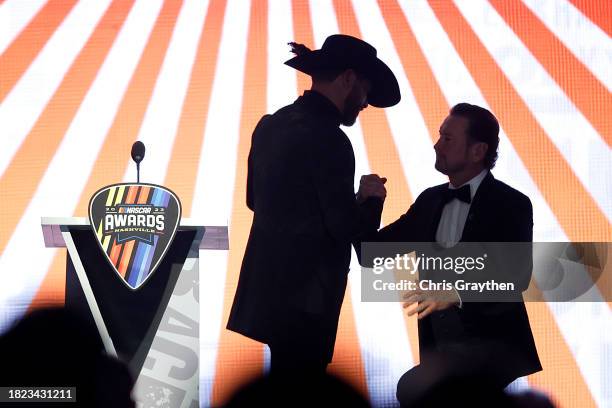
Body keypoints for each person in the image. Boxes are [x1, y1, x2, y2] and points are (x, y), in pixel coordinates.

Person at [226, 34, 400, 373]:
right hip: (309, 301)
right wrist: (371, 200)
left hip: (268, 296)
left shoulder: (270, 125)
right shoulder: (331, 139)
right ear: (348, 78)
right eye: (365, 89)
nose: (365, 102)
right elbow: (347, 231)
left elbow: (253, 200)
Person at [357, 103, 541, 406]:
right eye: (440, 136)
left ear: (478, 151)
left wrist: (454, 292)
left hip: (492, 349)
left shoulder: (511, 203)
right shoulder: (430, 201)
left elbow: (515, 275)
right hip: (441, 351)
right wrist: (368, 203)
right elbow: (369, 253)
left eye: (448, 139)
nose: (436, 145)